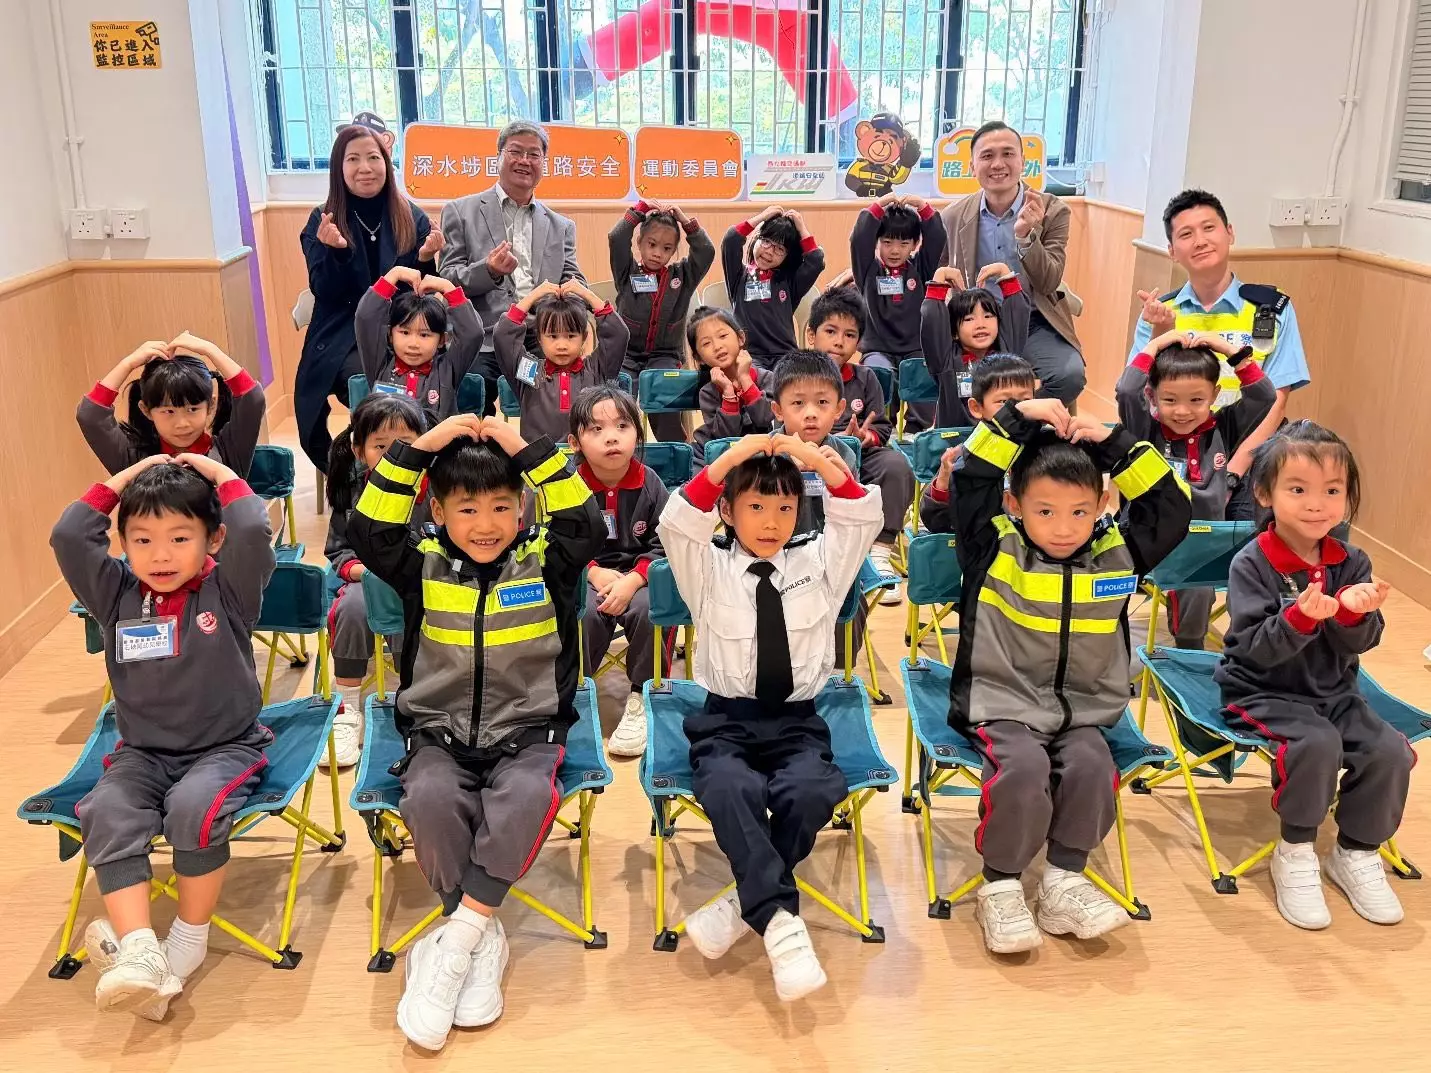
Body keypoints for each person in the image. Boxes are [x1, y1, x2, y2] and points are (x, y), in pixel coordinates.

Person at [347, 412, 602, 1052]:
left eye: (500, 507)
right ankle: (480, 934)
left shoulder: (547, 562)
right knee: (431, 801)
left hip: (529, 730)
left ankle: (456, 940)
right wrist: (424, 446)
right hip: (438, 732)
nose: (485, 524)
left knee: (525, 797)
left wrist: (524, 449)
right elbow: (368, 527)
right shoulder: (421, 565)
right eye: (466, 509)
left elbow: (586, 522)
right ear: (437, 512)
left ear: (523, 509)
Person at [949, 398, 1190, 954]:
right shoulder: (993, 545)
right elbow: (970, 475)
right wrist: (1017, 416)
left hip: (1084, 710)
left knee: (1092, 766)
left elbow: (1172, 507)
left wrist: (1114, 443)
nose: (1063, 529)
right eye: (1045, 511)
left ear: (1103, 504)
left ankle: (1062, 881)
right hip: (1002, 704)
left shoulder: (1119, 553)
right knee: (1024, 770)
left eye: (1080, 512)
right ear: (1014, 504)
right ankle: (1001, 885)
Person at [50, 453, 276, 1021]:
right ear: (123, 544)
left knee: (194, 808)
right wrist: (125, 478)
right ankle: (140, 952)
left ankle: (187, 939)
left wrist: (213, 470)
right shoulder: (116, 594)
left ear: (212, 539)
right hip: (143, 753)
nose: (161, 555)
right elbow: (69, 536)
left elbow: (252, 528)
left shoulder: (229, 590)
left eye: (180, 538)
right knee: (106, 811)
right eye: (143, 540)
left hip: (226, 748)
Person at [657, 432, 882, 1001]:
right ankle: (782, 924)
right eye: (755, 506)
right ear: (727, 511)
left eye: (784, 508)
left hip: (797, 721)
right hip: (726, 721)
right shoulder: (707, 567)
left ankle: (746, 902)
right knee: (729, 787)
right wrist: (734, 456)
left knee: (811, 790)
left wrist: (812, 461)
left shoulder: (819, 563)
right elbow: (678, 521)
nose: (771, 521)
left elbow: (860, 517)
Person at [1214, 422, 1412, 931]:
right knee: (1317, 744)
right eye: (1298, 489)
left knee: (1388, 751)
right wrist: (1299, 619)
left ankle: (1356, 851)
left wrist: (1355, 615)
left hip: (1334, 691)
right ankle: (1296, 849)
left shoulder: (1352, 560)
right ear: (1265, 494)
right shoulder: (1252, 563)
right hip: (1260, 690)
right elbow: (1253, 648)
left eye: (1332, 491)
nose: (1316, 504)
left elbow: (1364, 642)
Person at [1128, 188, 1311, 520]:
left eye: (1209, 228)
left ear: (1230, 233)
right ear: (1172, 251)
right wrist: (1161, 330)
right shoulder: (1160, 311)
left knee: (1245, 527)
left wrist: (1232, 474)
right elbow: (1141, 392)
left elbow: (1276, 399)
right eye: (1186, 234)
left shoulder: (1271, 308)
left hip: (1248, 446)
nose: (1200, 241)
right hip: (1174, 442)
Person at [1116, 329, 1275, 649]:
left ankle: (1191, 650)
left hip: (1203, 545)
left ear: (1214, 395)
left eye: (1196, 400)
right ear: (1152, 397)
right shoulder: (1145, 430)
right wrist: (1157, 344)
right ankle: (1127, 639)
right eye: (1170, 400)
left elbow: (1264, 396)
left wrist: (1226, 349)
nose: (1183, 411)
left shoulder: (1224, 427)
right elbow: (1126, 391)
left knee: (1202, 588)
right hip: (1150, 540)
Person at [298, 124, 442, 470]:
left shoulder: (410, 215)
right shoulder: (323, 219)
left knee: (439, 375)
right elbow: (324, 290)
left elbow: (423, 291)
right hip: (343, 334)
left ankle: (422, 462)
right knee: (371, 379)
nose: (365, 168)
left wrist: (425, 258)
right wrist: (335, 252)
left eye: (373, 158)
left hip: (403, 329)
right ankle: (362, 467)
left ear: (386, 164)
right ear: (339, 168)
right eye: (353, 159)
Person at [439, 121, 585, 416]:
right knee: (470, 394)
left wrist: (567, 297)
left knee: (561, 395)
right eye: (515, 152)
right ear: (498, 157)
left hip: (539, 338)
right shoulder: (460, 211)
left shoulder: (561, 226)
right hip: (483, 338)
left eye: (534, 155)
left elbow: (574, 280)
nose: (524, 161)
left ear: (544, 163)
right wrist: (489, 270)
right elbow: (448, 279)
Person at [939, 121, 1084, 406]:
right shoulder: (953, 216)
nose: (997, 164)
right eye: (987, 156)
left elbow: (1048, 282)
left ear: (1022, 161)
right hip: (977, 322)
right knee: (942, 376)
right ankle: (989, 419)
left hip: (1033, 322)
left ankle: (1015, 417)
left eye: (1007, 154)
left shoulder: (1052, 210)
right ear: (972, 166)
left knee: (1069, 376)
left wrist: (1026, 236)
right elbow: (935, 270)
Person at [323, 392, 430, 767]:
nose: (393, 454)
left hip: (425, 582)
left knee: (415, 610)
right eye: (380, 446)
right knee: (352, 607)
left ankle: (413, 697)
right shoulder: (353, 491)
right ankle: (348, 709)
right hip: (369, 581)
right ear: (359, 451)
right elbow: (339, 552)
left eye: (405, 444)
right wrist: (366, 573)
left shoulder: (437, 487)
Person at [569, 386, 670, 758]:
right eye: (596, 429)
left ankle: (642, 695)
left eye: (622, 426)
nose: (611, 437)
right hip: (588, 575)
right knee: (582, 613)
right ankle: (576, 692)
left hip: (640, 576)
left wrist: (634, 579)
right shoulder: (568, 486)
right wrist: (592, 573)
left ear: (638, 433)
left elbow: (665, 542)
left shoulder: (650, 483)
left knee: (649, 610)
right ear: (575, 442)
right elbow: (557, 540)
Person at [803, 286, 915, 602]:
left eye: (850, 335)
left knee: (896, 465)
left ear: (859, 343)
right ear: (811, 334)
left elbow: (881, 426)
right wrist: (822, 440)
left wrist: (865, 437)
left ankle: (879, 552)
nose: (839, 341)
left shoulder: (866, 378)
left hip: (860, 456)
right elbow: (782, 421)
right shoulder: (796, 374)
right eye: (830, 331)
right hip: (808, 458)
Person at [79, 333, 267, 479]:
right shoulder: (135, 461)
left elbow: (252, 399)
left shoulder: (229, 451)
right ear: (146, 410)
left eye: (192, 409)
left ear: (211, 405)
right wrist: (127, 364)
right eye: (169, 411)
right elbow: (90, 416)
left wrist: (211, 351)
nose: (182, 423)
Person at [608, 199, 715, 442]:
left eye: (667, 248)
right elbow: (616, 238)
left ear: (675, 250)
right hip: (625, 355)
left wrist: (686, 223)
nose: (657, 253)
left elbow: (706, 251)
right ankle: (622, 448)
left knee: (662, 396)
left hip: (665, 355)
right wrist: (639, 211)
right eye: (652, 244)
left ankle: (675, 450)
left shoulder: (683, 276)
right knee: (617, 401)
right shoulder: (627, 271)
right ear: (639, 242)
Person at [849, 192, 947, 434]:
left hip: (916, 348)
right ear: (877, 242)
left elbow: (937, 237)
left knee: (925, 373)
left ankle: (919, 433)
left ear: (914, 245)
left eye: (904, 244)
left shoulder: (921, 268)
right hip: (878, 348)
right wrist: (880, 204)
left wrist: (922, 206)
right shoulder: (868, 270)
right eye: (887, 242)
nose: (895, 250)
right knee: (877, 374)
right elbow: (858, 239)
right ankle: (883, 431)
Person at [493, 280, 630, 444]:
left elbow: (618, 335)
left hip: (586, 457)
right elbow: (503, 337)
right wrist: (533, 296)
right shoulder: (531, 372)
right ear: (539, 338)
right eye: (553, 336)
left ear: (584, 337)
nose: (562, 345)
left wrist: (587, 294)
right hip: (539, 458)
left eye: (571, 336)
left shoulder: (596, 369)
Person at [918, 353, 1037, 533]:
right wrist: (943, 483)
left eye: (1025, 400)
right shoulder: (969, 453)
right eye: (1003, 402)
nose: (1016, 409)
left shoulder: (1041, 447)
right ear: (976, 408)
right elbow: (938, 522)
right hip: (986, 543)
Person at [355, 265, 483, 422]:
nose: (413, 344)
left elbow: (473, 334)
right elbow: (365, 319)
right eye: (405, 332)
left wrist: (448, 288)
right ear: (390, 335)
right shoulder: (380, 365)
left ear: (441, 340)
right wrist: (394, 274)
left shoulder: (448, 369)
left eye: (424, 335)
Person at [920, 262, 1030, 429]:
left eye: (988, 316)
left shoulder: (1006, 353)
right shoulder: (946, 360)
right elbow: (931, 321)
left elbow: (1018, 312)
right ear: (954, 332)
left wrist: (1004, 272)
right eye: (969, 319)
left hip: (1000, 439)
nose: (980, 325)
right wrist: (940, 275)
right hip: (955, 441)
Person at [767, 350, 861, 539]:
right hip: (775, 547)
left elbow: (856, 517)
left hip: (829, 548)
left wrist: (840, 479)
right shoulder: (764, 452)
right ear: (778, 410)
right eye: (798, 402)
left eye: (822, 401)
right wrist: (789, 473)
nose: (811, 413)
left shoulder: (844, 456)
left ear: (839, 409)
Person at [721, 206, 825, 370]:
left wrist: (801, 227)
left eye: (780, 249)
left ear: (787, 256)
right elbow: (731, 240)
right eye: (766, 241)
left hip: (786, 356)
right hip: (750, 356)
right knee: (751, 376)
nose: (769, 251)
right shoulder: (739, 276)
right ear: (756, 239)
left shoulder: (789, 282)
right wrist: (761, 217)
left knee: (800, 378)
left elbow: (816, 261)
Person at [687, 306, 772, 466]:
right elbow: (725, 437)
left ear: (740, 338)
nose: (717, 346)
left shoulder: (766, 378)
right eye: (706, 343)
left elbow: (764, 419)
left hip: (763, 454)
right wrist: (728, 393)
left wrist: (745, 379)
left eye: (723, 336)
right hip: (723, 457)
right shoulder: (708, 393)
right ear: (699, 358)